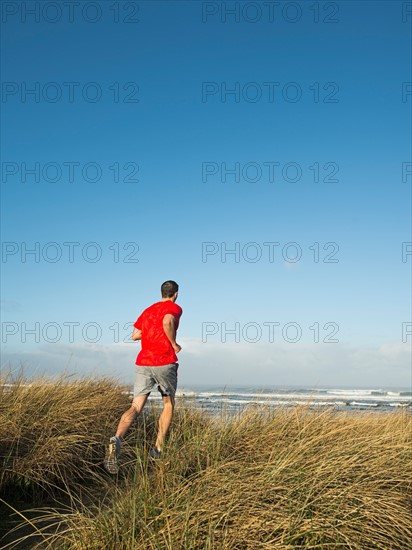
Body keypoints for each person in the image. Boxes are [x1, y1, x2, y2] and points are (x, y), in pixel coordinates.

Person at [104, 280, 182, 474]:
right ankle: (157, 449)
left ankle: (117, 439)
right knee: (168, 404)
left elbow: (135, 335)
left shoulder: (147, 310)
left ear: (161, 292)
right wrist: (173, 343)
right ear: (176, 293)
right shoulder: (174, 307)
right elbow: (167, 321)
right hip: (164, 361)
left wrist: (150, 332)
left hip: (143, 362)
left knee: (136, 406)